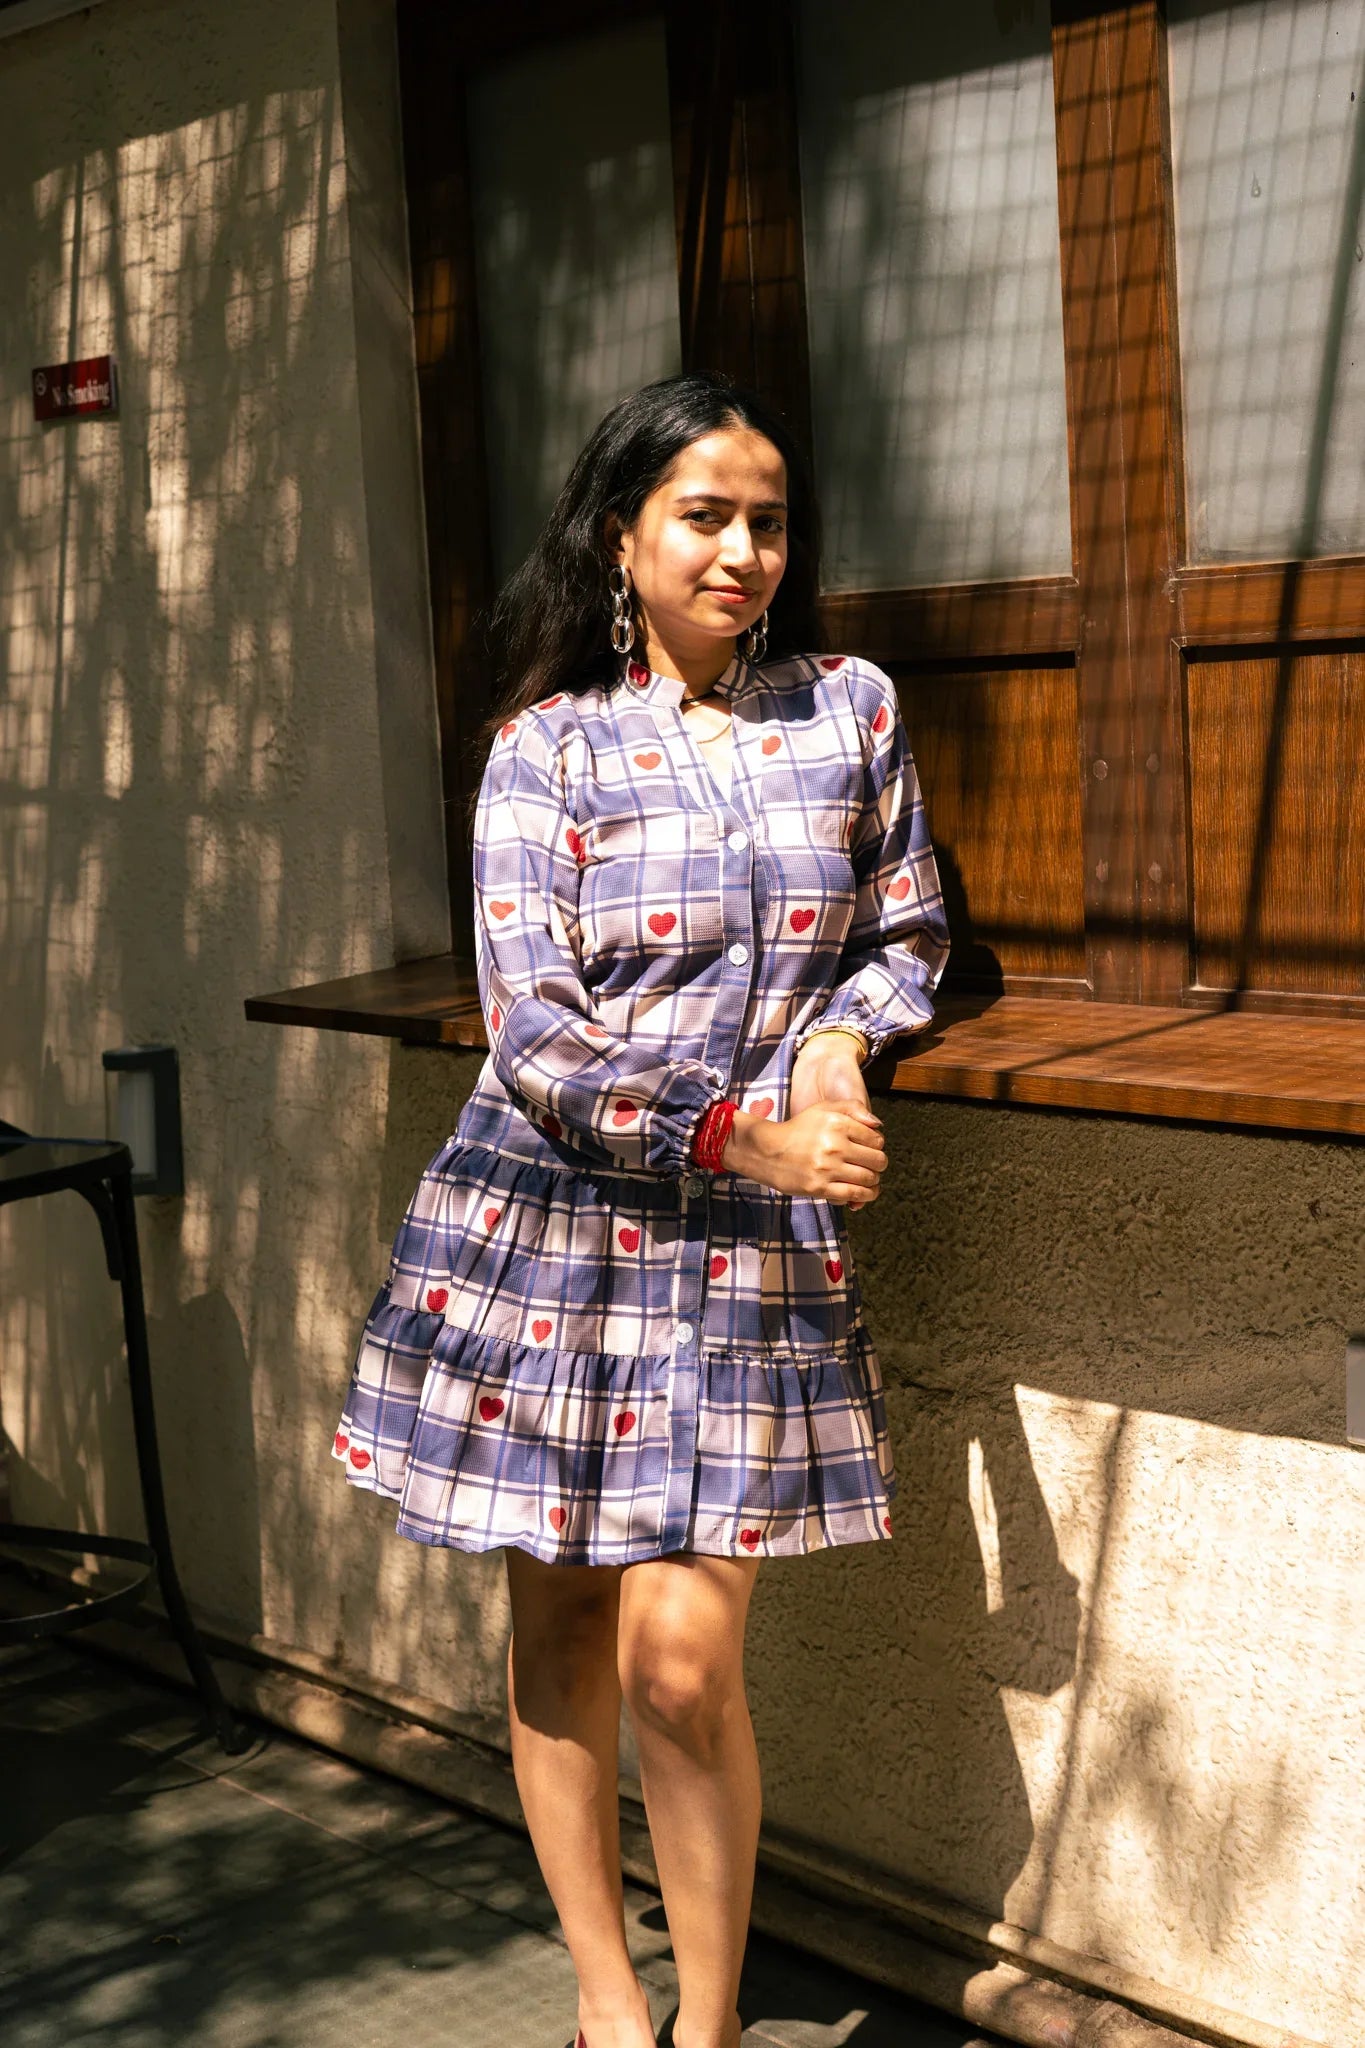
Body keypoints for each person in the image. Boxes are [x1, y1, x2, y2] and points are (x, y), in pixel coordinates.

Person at [331, 372, 949, 2048]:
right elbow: (531, 1026)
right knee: (563, 1620)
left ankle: (711, 2022)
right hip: (545, 1235)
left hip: (746, 1269)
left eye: (766, 519)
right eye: (704, 515)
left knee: (682, 1662)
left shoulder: (848, 712)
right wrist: (739, 1135)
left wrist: (835, 1045)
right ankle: (612, 2002)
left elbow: (904, 935)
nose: (743, 550)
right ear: (622, 534)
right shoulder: (545, 751)